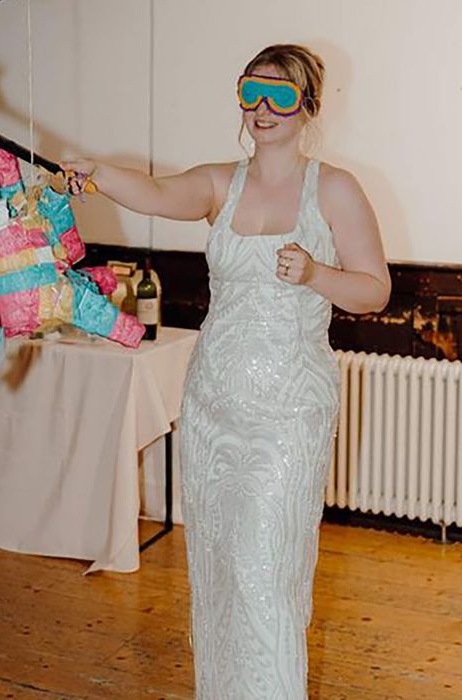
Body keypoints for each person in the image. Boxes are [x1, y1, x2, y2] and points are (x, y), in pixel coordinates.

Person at [62, 44, 390, 699]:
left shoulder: (334, 188)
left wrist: (319, 274)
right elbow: (155, 193)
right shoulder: (221, 182)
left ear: (309, 107)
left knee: (264, 571)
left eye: (282, 95)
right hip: (213, 404)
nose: (264, 109)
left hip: (288, 413)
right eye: (251, 92)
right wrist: (95, 172)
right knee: (215, 571)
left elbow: (375, 290)